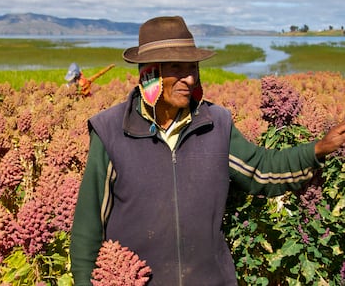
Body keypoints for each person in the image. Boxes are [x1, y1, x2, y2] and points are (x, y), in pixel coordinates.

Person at [70, 16, 345, 286]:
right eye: (177, 68)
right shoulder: (110, 131)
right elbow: (88, 229)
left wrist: (318, 149)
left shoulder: (215, 123)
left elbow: (261, 169)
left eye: (193, 68)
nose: (189, 79)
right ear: (149, 74)